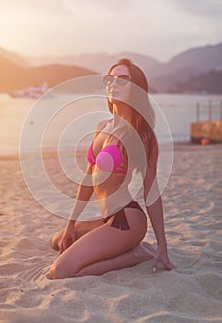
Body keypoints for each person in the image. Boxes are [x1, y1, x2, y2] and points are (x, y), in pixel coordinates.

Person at [49, 58, 176, 279]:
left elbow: (151, 191)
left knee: (60, 271)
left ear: (135, 88)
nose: (113, 83)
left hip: (127, 219)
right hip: (107, 218)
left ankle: (134, 254)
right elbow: (88, 179)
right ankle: (125, 246)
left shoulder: (141, 135)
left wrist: (162, 246)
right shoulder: (102, 128)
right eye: (110, 79)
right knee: (58, 240)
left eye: (123, 79)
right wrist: (70, 223)